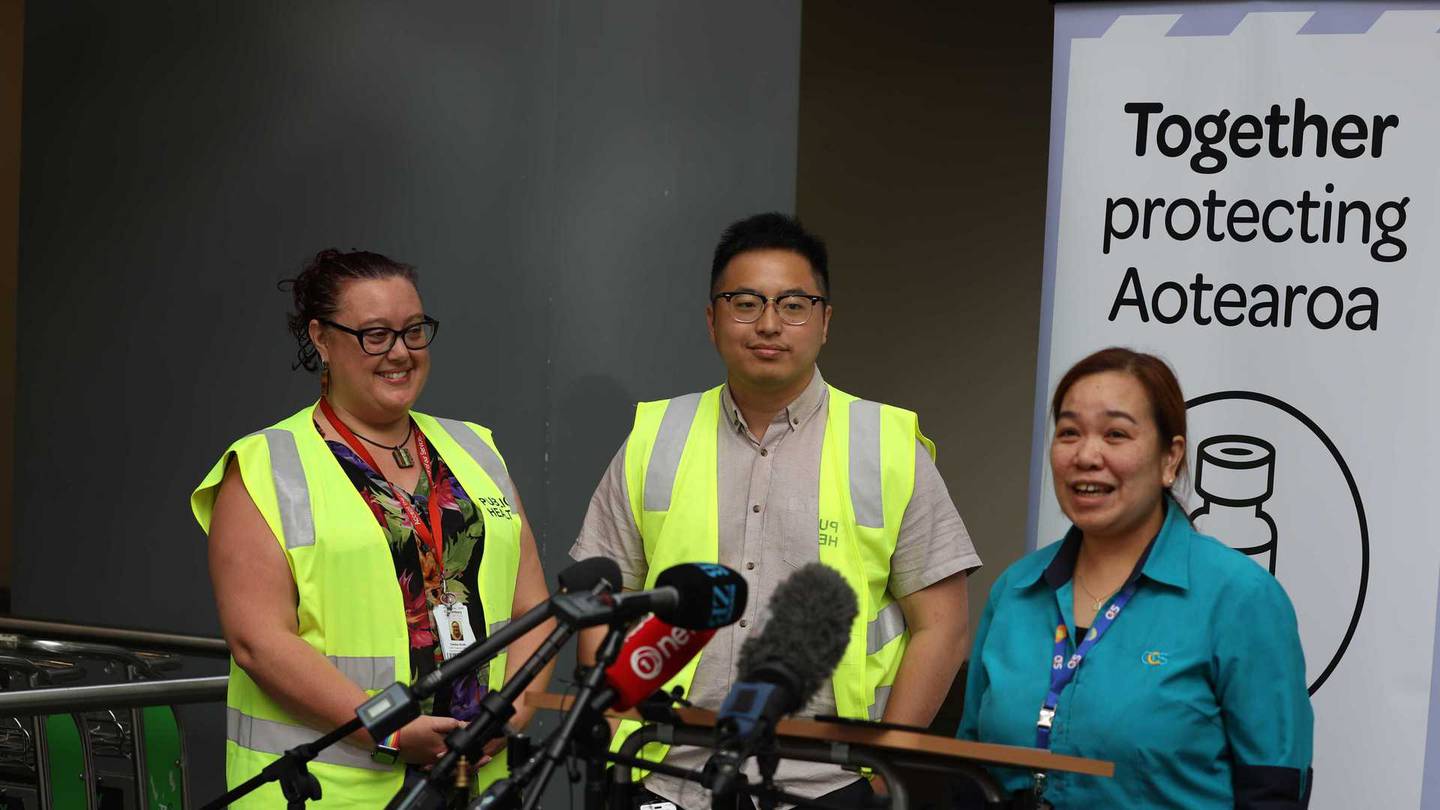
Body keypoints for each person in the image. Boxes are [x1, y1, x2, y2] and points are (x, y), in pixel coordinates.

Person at [572, 213, 981, 809]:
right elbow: (603, 608)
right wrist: (616, 750)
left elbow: (942, 624)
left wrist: (881, 766)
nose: (768, 324)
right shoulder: (655, 438)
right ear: (712, 319)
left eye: (793, 304)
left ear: (824, 322)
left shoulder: (887, 444)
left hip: (826, 780)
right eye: (745, 303)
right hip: (668, 773)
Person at [192, 249, 553, 806]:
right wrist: (389, 726)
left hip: (472, 780)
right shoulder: (266, 465)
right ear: (321, 339)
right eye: (375, 334)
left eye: (414, 331)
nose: (400, 353)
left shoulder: (474, 449)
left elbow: (534, 608)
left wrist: (511, 714)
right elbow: (257, 642)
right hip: (322, 789)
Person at [958, 347, 1313, 809]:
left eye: (1116, 434)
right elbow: (967, 771)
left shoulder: (1240, 598)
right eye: (1069, 433)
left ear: (1171, 458)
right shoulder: (1017, 590)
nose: (1087, 454)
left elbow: (1274, 791)